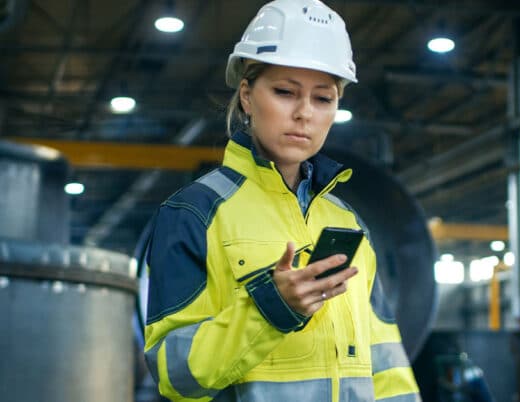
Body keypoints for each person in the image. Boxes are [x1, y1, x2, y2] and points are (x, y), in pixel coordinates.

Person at [142, 0, 421, 401]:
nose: (304, 113)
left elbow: (387, 363)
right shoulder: (193, 214)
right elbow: (174, 376)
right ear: (247, 97)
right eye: (285, 92)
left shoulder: (347, 222)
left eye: (323, 99)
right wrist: (269, 309)